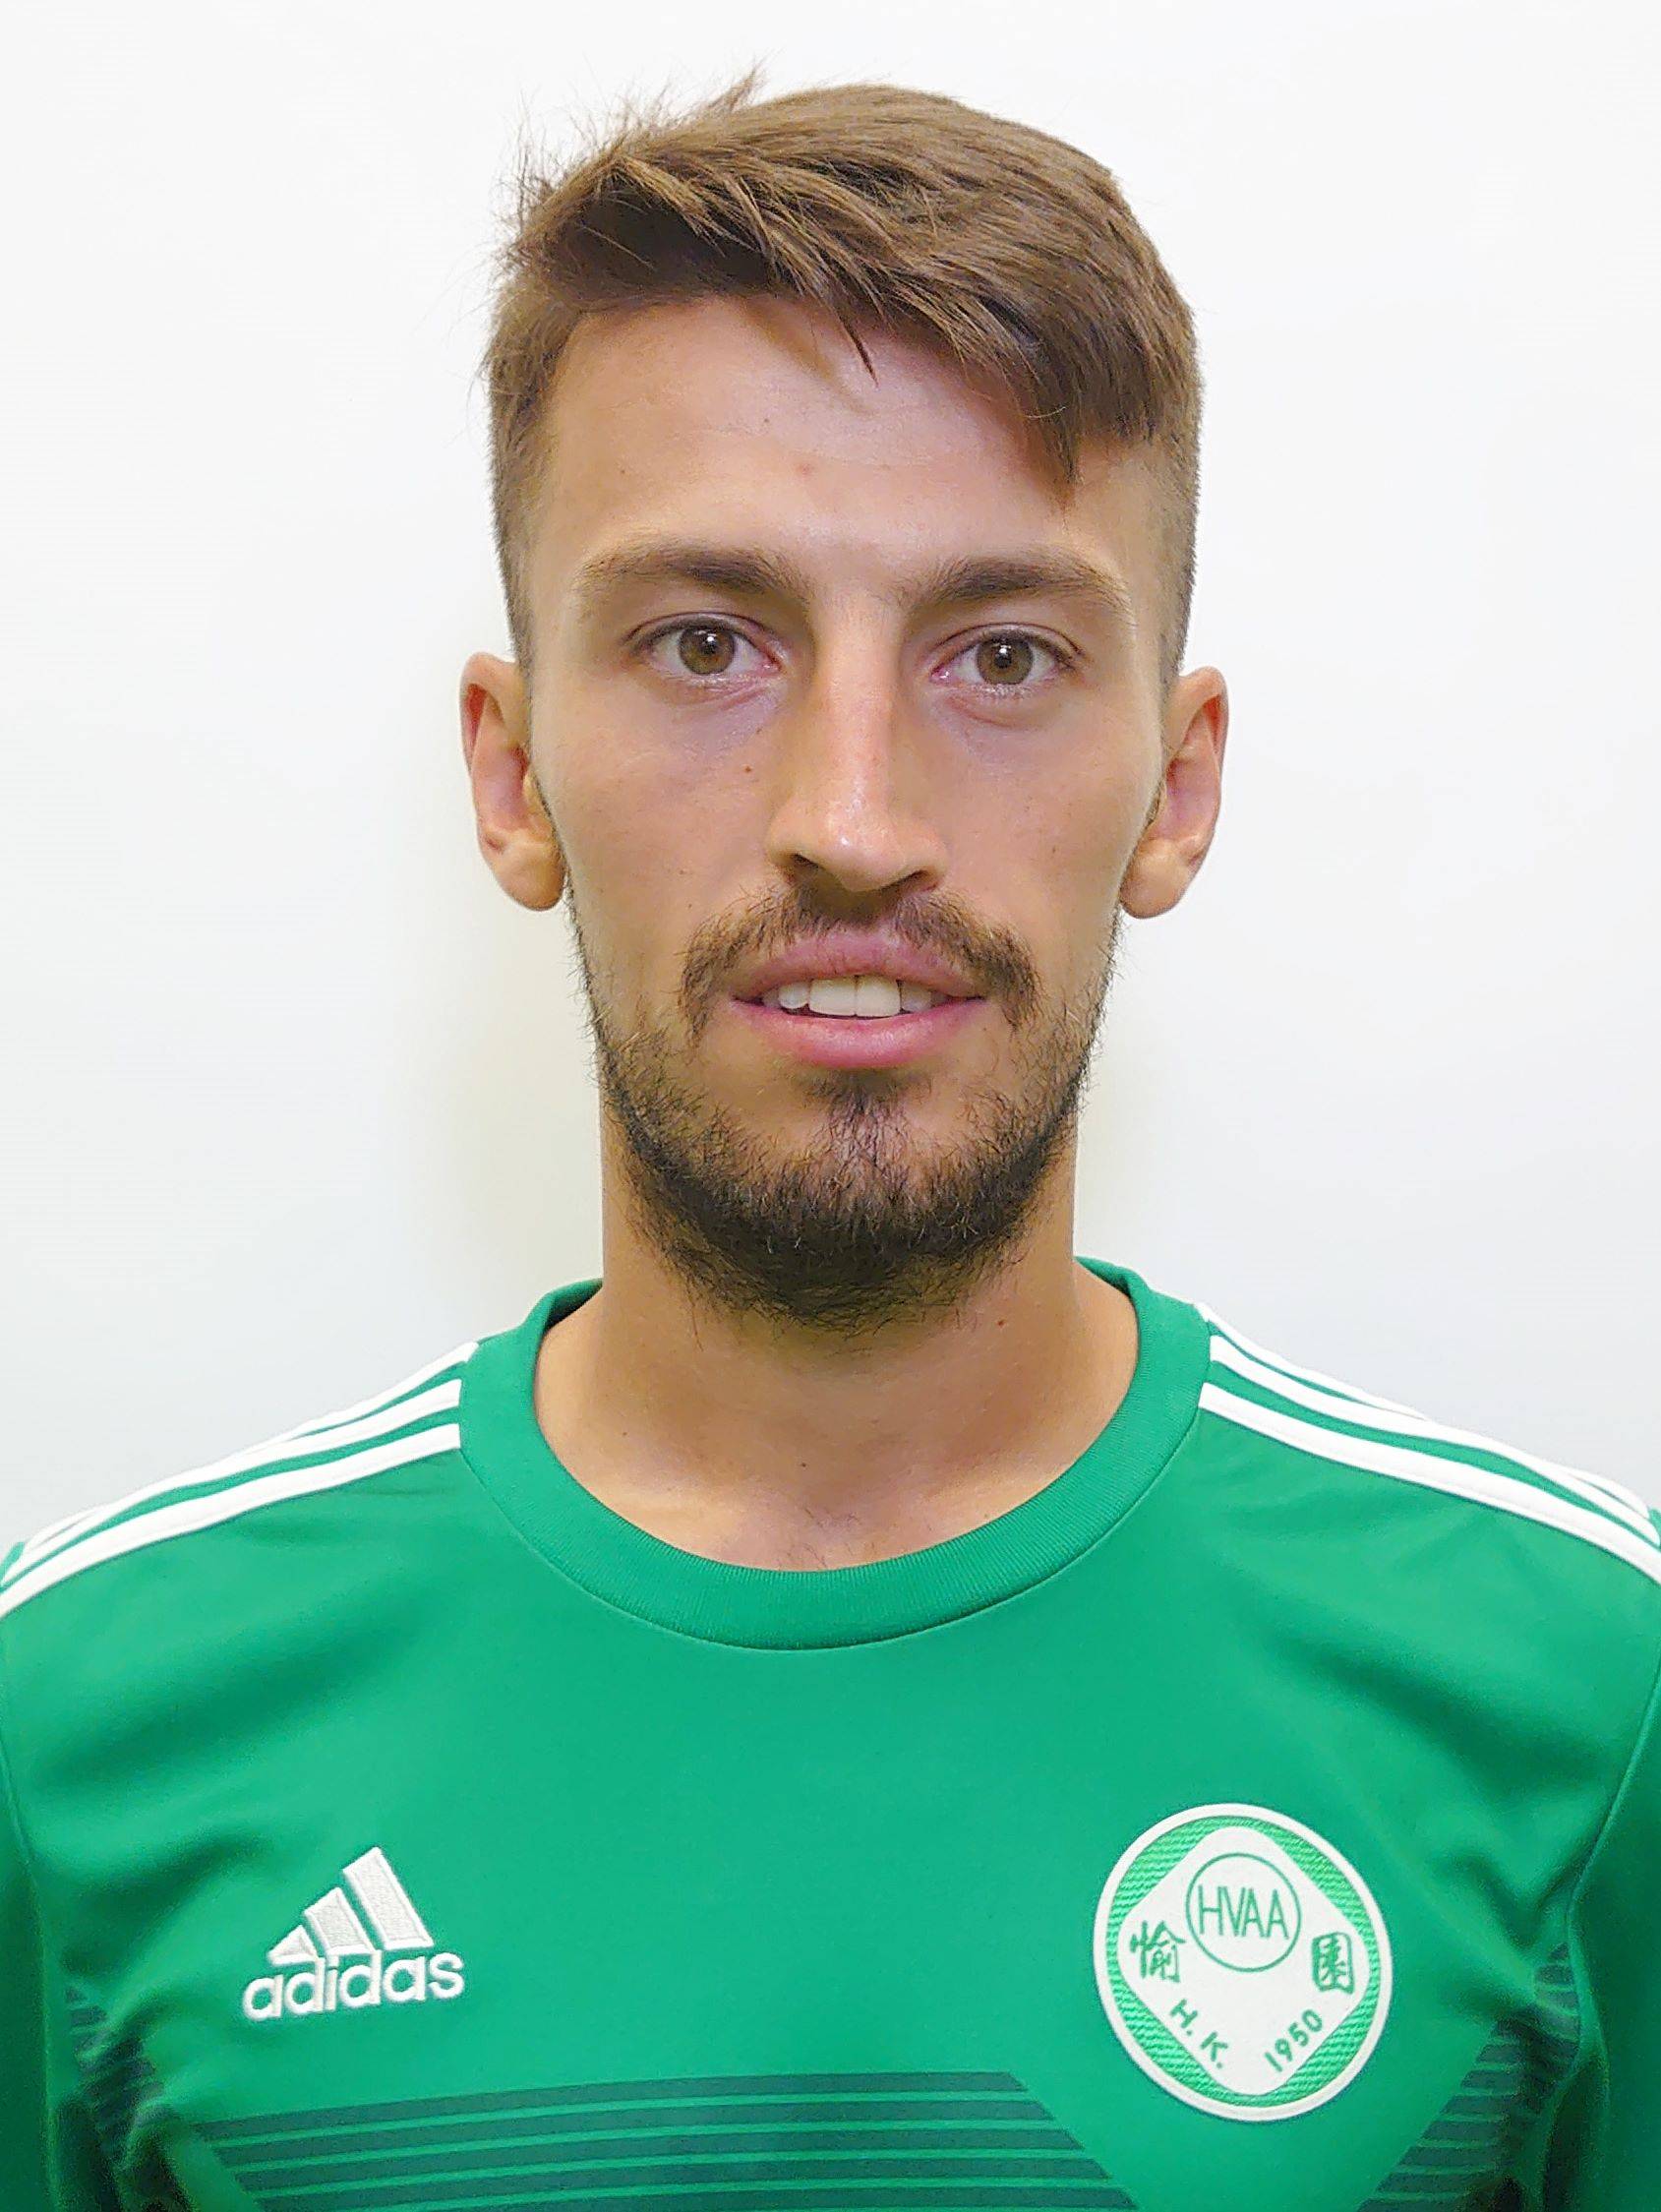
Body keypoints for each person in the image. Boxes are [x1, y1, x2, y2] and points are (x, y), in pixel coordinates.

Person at [2, 66, 1653, 2212]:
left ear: (1175, 786)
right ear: (508, 772)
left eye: (1002, 654)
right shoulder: (83, 1728)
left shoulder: (1578, 1699)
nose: (852, 819)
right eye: (705, 644)